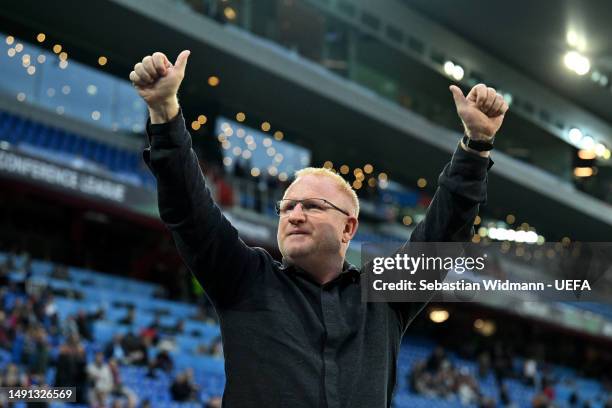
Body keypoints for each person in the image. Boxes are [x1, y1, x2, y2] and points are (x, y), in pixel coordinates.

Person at [130, 51, 508, 407]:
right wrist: (164, 114)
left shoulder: (384, 298)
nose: (294, 215)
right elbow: (189, 211)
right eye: (287, 207)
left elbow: (443, 234)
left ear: (348, 228)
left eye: (312, 206)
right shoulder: (245, 278)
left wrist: (477, 147)